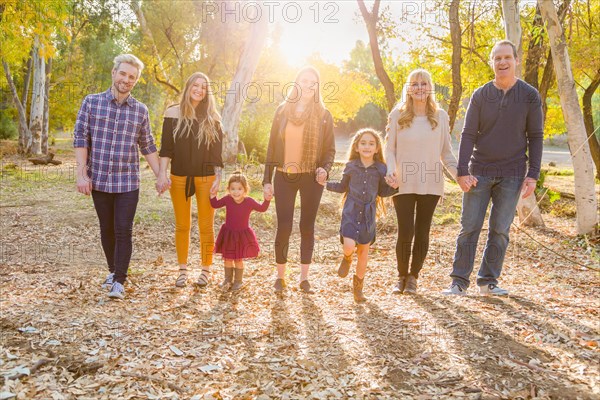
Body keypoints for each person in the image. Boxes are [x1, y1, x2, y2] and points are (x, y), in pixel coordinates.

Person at [443, 39, 543, 296]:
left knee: (500, 230)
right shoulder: (480, 95)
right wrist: (462, 171)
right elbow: (467, 134)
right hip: (479, 172)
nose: (502, 62)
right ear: (492, 62)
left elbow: (536, 136)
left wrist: (532, 175)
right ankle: (458, 282)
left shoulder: (530, 95)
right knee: (469, 227)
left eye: (507, 57)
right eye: (497, 58)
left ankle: (488, 282)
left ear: (516, 60)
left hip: (513, 173)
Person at [74, 54, 160, 300]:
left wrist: (160, 175)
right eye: (123, 73)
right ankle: (113, 271)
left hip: (127, 183)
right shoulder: (91, 103)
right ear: (114, 73)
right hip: (99, 179)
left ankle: (119, 281)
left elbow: (148, 145)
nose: (126, 79)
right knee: (107, 229)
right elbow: (81, 139)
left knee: (123, 229)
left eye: (132, 77)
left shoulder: (140, 110)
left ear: (136, 81)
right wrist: (82, 175)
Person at [384, 69, 458, 295]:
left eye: (423, 83)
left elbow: (446, 152)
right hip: (403, 181)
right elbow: (390, 148)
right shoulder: (397, 115)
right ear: (408, 88)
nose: (419, 87)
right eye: (414, 83)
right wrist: (390, 171)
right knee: (405, 230)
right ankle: (401, 276)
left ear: (430, 88)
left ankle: (414, 277)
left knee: (423, 230)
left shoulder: (441, 117)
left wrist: (460, 177)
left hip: (431, 183)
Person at [262, 66, 335, 294]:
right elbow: (272, 147)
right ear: (297, 83)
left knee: (307, 226)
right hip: (284, 175)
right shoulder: (282, 111)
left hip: (311, 177)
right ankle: (280, 277)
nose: (309, 86)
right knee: (284, 226)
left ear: (318, 87)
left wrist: (325, 169)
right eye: (305, 81)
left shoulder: (324, 115)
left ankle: (304, 279)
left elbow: (330, 150)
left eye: (313, 83)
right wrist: (267, 179)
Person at [157, 72, 223, 288]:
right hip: (179, 176)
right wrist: (161, 174)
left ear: (207, 92)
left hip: (206, 177)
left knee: (206, 225)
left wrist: (218, 178)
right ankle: (183, 270)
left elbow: (216, 154)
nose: (199, 89)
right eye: (195, 85)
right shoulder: (173, 113)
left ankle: (206, 269)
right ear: (188, 87)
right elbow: (166, 148)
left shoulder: (213, 117)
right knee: (182, 225)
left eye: (203, 87)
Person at [322, 129, 397, 302]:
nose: (367, 146)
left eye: (371, 143)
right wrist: (325, 184)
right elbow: (342, 186)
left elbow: (383, 192)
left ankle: (358, 289)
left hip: (368, 216)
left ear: (377, 148)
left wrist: (395, 186)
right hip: (350, 211)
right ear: (356, 146)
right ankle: (347, 258)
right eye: (363, 143)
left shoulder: (381, 168)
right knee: (349, 245)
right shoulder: (351, 166)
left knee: (363, 252)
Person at [210, 172, 272, 291]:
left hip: (241, 235)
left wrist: (267, 200)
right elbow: (215, 204)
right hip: (228, 234)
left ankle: (238, 281)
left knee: (238, 259)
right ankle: (227, 279)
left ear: (245, 189)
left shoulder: (249, 201)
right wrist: (212, 195)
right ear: (228, 189)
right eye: (232, 188)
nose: (236, 192)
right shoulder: (228, 199)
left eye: (239, 189)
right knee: (228, 258)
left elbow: (262, 208)